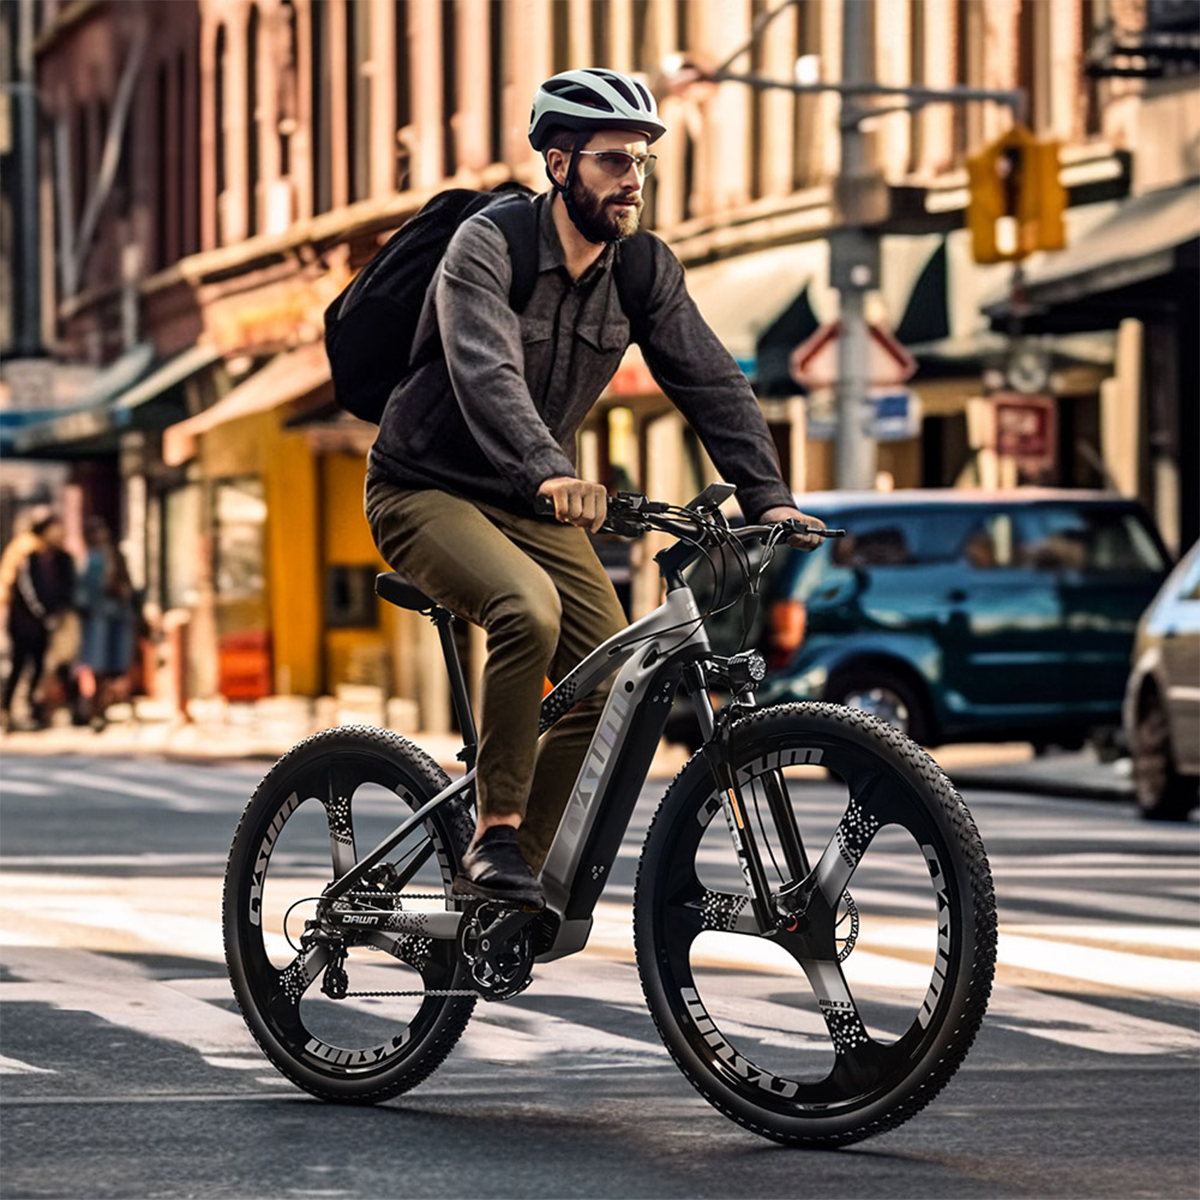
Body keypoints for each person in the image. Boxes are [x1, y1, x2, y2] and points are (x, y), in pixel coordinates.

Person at [364, 67, 823, 906]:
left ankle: (511, 887)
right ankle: (494, 836)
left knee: (617, 673)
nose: (634, 180)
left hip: (530, 502)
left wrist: (769, 496)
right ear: (559, 164)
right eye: (614, 161)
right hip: (423, 489)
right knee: (524, 610)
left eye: (642, 161)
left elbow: (710, 379)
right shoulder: (489, 247)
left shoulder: (641, 269)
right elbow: (485, 372)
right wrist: (552, 472)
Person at [0, 514, 73, 732]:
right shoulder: (26, 551)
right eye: (55, 527)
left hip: (43, 622)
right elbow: (27, 588)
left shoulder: (54, 554)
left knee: (40, 666)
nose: (59, 532)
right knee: (19, 665)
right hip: (23, 622)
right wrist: (43, 613)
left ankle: (31, 710)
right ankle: (5, 711)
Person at [75, 516, 136, 731]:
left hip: (118, 615)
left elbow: (127, 583)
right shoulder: (88, 558)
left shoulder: (115, 555)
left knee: (116, 664)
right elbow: (82, 592)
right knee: (97, 664)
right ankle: (96, 709)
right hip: (97, 617)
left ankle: (105, 707)